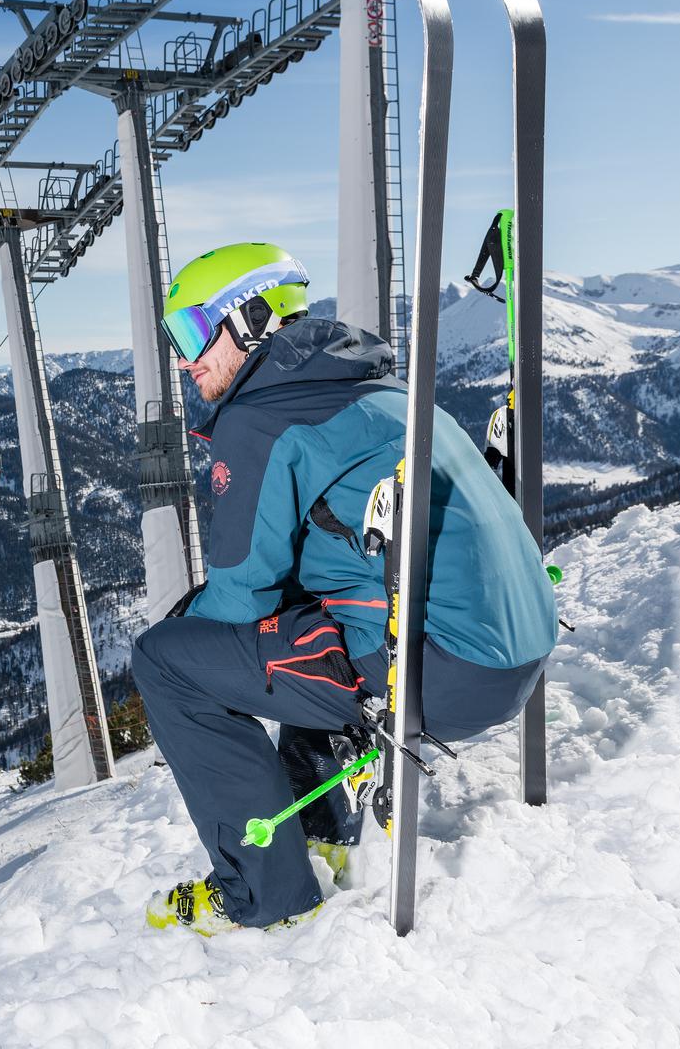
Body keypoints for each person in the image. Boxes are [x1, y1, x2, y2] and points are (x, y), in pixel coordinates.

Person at [132, 241, 557, 937]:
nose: (184, 360)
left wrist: (189, 622)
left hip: (438, 673)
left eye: (191, 332)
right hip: (519, 650)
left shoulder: (261, 417)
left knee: (165, 660)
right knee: (302, 613)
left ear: (250, 319)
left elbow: (240, 602)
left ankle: (266, 897)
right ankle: (322, 831)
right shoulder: (380, 388)